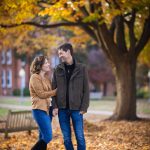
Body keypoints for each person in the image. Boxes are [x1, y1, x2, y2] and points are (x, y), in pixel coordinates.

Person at [52, 43, 90, 150]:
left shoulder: (82, 68)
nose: (60, 56)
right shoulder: (57, 69)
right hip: (62, 109)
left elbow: (86, 90)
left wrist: (84, 107)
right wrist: (55, 106)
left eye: (61, 53)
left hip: (77, 109)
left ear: (68, 51)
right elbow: (53, 90)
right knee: (67, 138)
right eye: (59, 54)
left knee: (80, 136)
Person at [29, 56, 57, 150]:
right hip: (39, 110)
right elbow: (41, 94)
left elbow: (51, 94)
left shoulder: (46, 78)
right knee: (48, 137)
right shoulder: (34, 77)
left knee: (42, 137)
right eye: (46, 63)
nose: (48, 64)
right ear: (40, 66)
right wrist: (56, 91)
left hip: (48, 110)